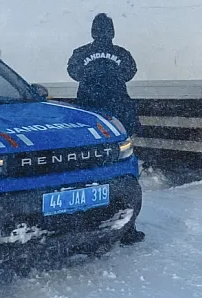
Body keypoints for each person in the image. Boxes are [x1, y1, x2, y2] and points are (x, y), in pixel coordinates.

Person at [68, 13, 145, 245]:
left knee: (91, 169)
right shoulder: (122, 53)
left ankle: (87, 223)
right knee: (122, 170)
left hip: (91, 115)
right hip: (117, 115)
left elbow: (73, 72)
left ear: (93, 32)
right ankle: (127, 228)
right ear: (112, 32)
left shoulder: (81, 53)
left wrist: (93, 79)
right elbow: (130, 72)